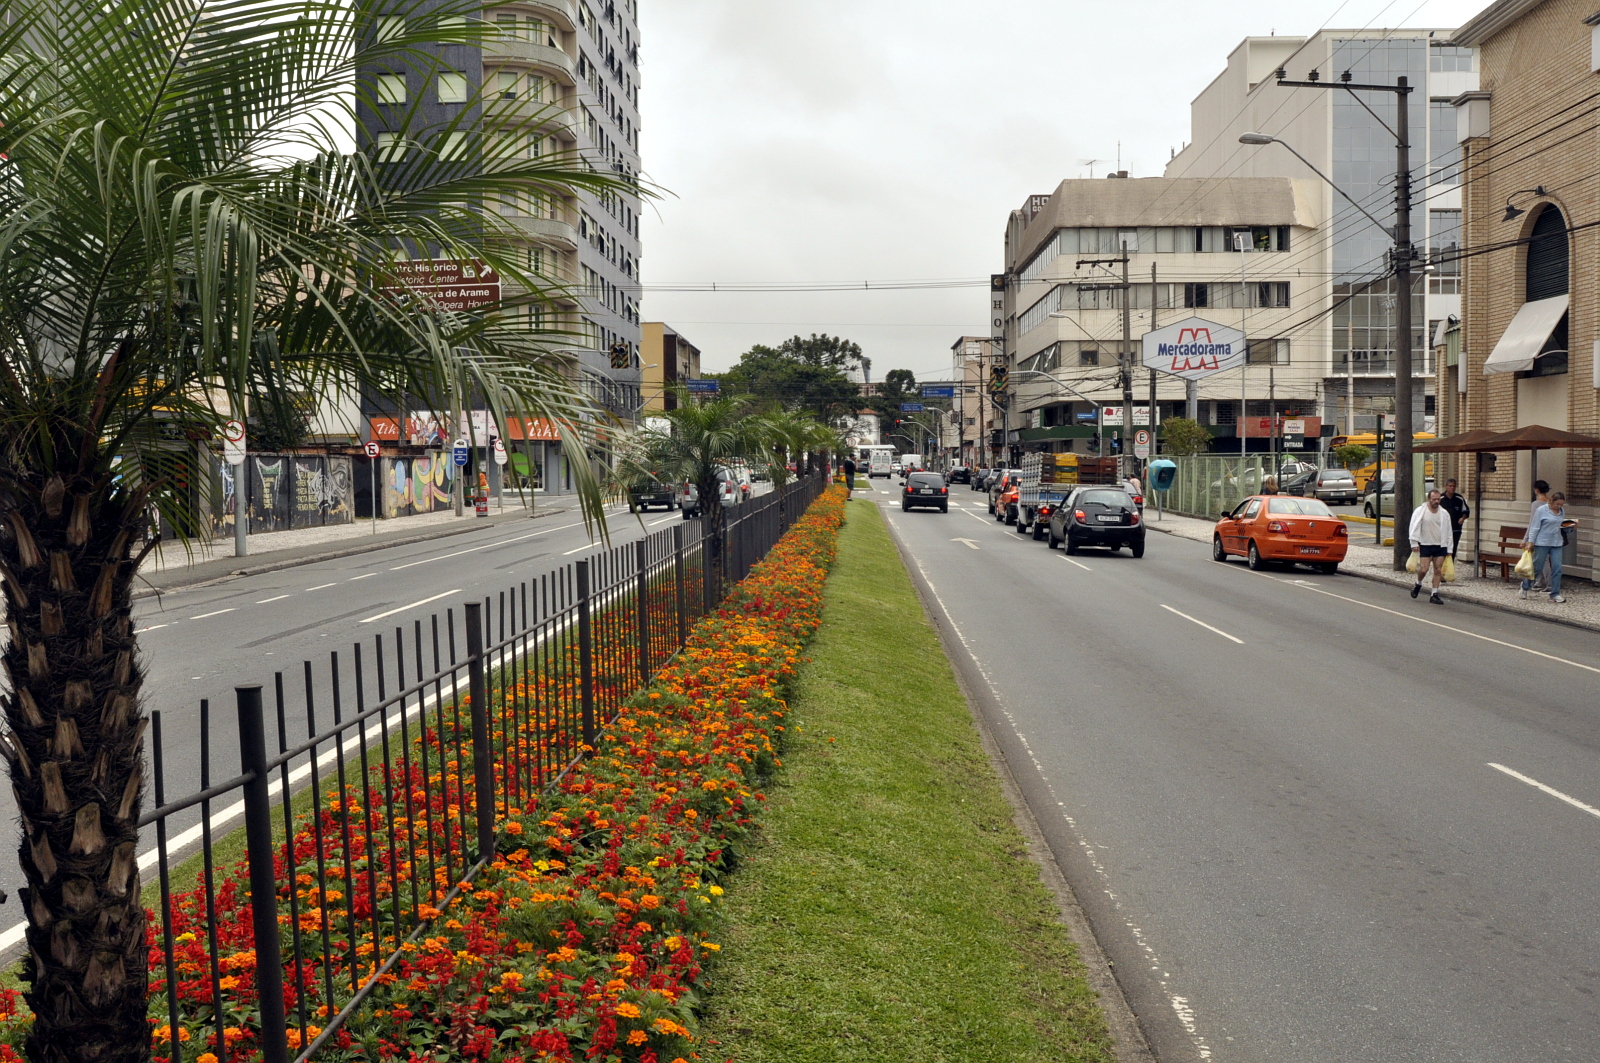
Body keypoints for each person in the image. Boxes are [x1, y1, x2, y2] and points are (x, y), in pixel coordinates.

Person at [1522, 491, 1568, 603]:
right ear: (1552, 501)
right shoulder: (1541, 510)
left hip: (1556, 542)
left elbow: (1561, 526)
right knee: (1537, 567)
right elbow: (1534, 527)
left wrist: (1571, 526)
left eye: (1561, 505)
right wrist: (1530, 542)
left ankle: (1555, 593)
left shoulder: (1561, 511)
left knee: (1557, 569)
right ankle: (1525, 586)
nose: (1559, 507)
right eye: (1557, 504)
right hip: (1542, 542)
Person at [1408, 488, 1453, 605]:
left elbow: (1449, 531)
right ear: (1429, 499)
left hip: (1440, 545)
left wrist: (1449, 548)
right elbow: (1413, 527)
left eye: (1438, 499)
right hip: (1425, 544)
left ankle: (1434, 594)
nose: (1436, 502)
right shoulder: (1420, 511)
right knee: (1424, 569)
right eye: (1434, 499)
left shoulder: (1444, 514)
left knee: (1438, 570)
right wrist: (1414, 543)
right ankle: (1418, 583)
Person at [1439, 478, 1471, 557]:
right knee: (1442, 549)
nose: (1452, 488)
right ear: (1446, 487)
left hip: (1455, 529)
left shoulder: (1459, 499)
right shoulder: (1440, 499)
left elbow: (1466, 511)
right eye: (1450, 486)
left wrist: (1462, 518)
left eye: (1454, 486)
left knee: (1452, 549)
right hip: (1442, 529)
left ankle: (1450, 566)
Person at [1529, 480, 1552, 589]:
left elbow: (1533, 522)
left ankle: (1547, 583)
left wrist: (1528, 538)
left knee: (1541, 560)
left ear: (1537, 490)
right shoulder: (1551, 503)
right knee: (1543, 559)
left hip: (1539, 535)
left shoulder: (1536, 504)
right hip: (1551, 535)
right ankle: (1540, 582)